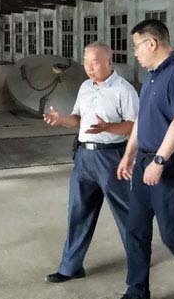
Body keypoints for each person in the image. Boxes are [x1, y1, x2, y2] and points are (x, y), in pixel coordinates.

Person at [104, 19, 174, 299]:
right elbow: (142, 120)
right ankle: (137, 294)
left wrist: (159, 161)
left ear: (152, 43)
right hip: (144, 163)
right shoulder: (151, 76)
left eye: (136, 47)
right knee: (136, 230)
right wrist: (129, 155)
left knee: (173, 233)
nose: (135, 53)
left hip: (170, 165)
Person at [43, 42, 139, 283]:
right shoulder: (85, 86)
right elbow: (77, 119)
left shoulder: (124, 90)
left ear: (109, 62)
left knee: (126, 213)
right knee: (78, 212)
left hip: (111, 157)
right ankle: (70, 267)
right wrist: (61, 120)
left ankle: (139, 262)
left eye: (94, 63)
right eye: (86, 63)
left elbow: (134, 126)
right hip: (84, 157)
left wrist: (108, 127)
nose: (89, 68)